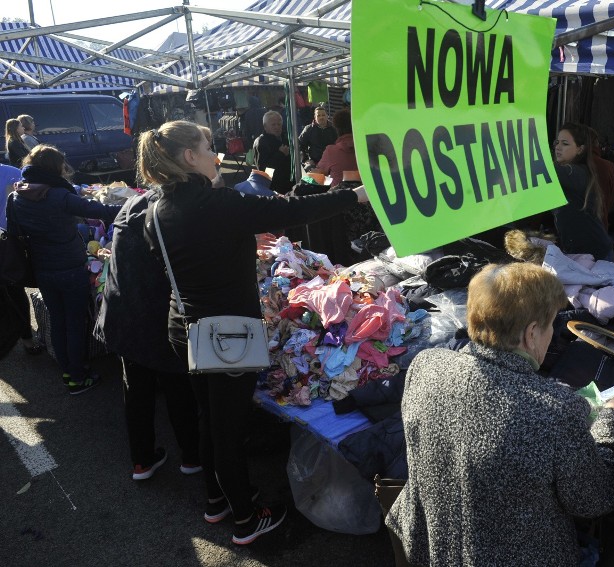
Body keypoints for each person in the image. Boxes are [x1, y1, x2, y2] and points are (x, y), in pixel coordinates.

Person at [137, 120, 369, 546]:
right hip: (227, 333)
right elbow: (291, 211)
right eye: (210, 146)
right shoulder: (219, 204)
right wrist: (355, 194)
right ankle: (245, 518)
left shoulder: (154, 208)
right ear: (190, 157)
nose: (216, 154)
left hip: (183, 326)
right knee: (227, 428)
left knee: (210, 419)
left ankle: (216, 500)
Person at [386, 262, 614, 567]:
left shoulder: (426, 365)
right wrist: (610, 424)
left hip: (431, 549)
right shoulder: (556, 409)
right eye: (551, 325)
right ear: (531, 333)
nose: (551, 335)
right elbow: (593, 500)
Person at [94, 186, 201, 481]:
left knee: (137, 389)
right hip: (159, 319)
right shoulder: (171, 214)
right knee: (179, 387)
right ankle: (192, 456)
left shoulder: (130, 206)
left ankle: (142, 461)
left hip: (124, 315)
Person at [6, 145, 121, 394]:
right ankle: (78, 377)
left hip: (41, 268)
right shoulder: (59, 195)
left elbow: (14, 234)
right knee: (76, 322)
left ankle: (68, 371)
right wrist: (139, 204)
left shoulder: (16, 196)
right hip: (70, 267)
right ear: (54, 168)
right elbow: (101, 212)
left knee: (58, 320)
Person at [551, 122, 613, 260]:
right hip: (578, 251)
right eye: (557, 142)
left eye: (565, 143)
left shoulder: (576, 172)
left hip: (596, 255)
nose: (558, 147)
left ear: (580, 149)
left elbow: (543, 170)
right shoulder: (566, 172)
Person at [0, 162, 41, 356]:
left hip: (6, 242)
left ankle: (17, 338)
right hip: (6, 242)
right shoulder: (11, 173)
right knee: (14, 291)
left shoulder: (11, 173)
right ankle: (27, 340)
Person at [253, 110, 292, 194]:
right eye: (273, 124)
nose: (277, 127)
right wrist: (280, 154)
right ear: (265, 126)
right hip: (273, 187)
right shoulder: (261, 142)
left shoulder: (285, 138)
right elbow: (264, 169)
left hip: (289, 183)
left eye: (279, 124)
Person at [298, 106, 337, 171]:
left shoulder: (334, 129)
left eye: (323, 115)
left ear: (327, 116)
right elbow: (300, 145)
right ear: (315, 117)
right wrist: (305, 160)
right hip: (314, 162)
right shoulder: (308, 129)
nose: (321, 117)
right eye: (318, 115)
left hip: (331, 162)